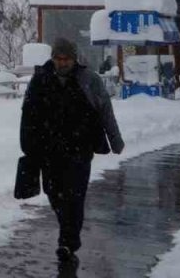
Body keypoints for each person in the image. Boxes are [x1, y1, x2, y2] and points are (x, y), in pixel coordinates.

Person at [20, 38, 125, 266]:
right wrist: (28, 145)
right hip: (50, 150)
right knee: (53, 192)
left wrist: (115, 140)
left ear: (74, 59)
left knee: (75, 197)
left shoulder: (89, 80)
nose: (62, 63)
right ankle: (67, 229)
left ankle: (68, 241)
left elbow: (105, 109)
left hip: (79, 150)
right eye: (58, 58)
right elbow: (28, 113)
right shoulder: (41, 79)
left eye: (66, 58)